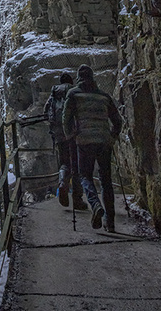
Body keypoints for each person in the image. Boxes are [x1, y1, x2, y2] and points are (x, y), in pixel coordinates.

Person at [62, 64, 122, 232]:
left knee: (85, 176)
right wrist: (112, 137)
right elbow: (117, 121)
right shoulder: (104, 96)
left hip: (84, 141)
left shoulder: (73, 94)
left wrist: (70, 135)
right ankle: (110, 223)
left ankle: (95, 205)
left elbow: (66, 118)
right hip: (104, 141)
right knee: (106, 181)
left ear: (79, 78)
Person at [44, 72, 87, 211]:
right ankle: (77, 199)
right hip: (74, 134)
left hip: (59, 136)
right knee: (77, 167)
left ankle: (62, 183)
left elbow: (46, 112)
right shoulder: (74, 92)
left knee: (64, 163)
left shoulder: (53, 94)